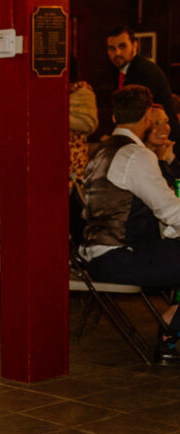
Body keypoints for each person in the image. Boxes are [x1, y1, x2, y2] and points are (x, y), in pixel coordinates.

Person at [81, 85, 180, 363]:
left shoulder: (101, 151)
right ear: (148, 116)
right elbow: (169, 210)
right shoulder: (136, 156)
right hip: (119, 257)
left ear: (114, 118)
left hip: (96, 257)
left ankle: (172, 329)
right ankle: (171, 325)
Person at [107, 25, 179, 143]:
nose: (117, 53)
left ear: (135, 45)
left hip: (163, 142)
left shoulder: (144, 71)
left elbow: (137, 117)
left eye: (122, 46)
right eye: (112, 48)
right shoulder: (122, 70)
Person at [68, 57, 98, 190]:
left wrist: (60, 117)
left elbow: (89, 124)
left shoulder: (82, 90)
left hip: (75, 157)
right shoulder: (45, 89)